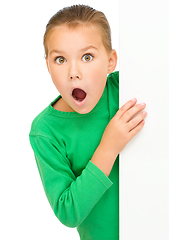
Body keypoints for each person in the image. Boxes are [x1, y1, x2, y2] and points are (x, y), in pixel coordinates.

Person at [29, 5, 147, 240]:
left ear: (111, 61)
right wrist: (109, 147)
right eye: (60, 59)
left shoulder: (125, 89)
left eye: (87, 57)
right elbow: (68, 212)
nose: (74, 72)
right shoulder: (45, 132)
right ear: (47, 66)